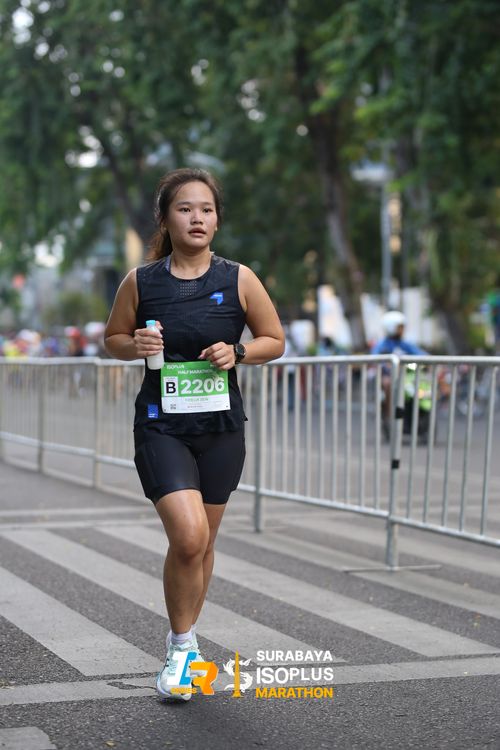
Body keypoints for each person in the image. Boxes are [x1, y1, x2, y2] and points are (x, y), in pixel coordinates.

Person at [104, 167, 285, 701]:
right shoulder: (141, 281)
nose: (197, 218)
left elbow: (274, 339)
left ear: (217, 220)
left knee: (202, 544)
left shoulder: (239, 279)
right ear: (165, 219)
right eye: (185, 209)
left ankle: (186, 650)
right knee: (188, 537)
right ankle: (181, 648)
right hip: (162, 426)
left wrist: (239, 351)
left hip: (221, 428)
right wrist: (133, 345)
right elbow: (113, 338)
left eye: (206, 209)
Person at [371, 311, 427, 440]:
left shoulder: (405, 344)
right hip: (389, 376)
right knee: (388, 383)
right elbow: (375, 360)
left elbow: (422, 355)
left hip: (407, 376)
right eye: (399, 327)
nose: (402, 330)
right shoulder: (382, 345)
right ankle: (390, 415)